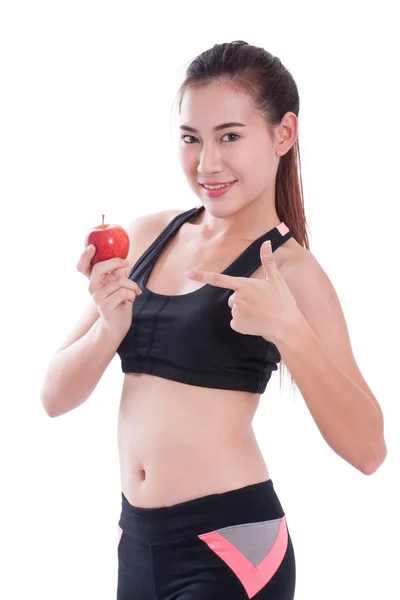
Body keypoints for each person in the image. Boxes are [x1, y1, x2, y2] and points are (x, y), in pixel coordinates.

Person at [40, 41, 386, 600]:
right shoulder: (149, 235)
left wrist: (289, 330)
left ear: (283, 134)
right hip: (138, 542)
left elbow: (368, 450)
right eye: (190, 139)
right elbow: (54, 398)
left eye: (230, 136)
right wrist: (109, 326)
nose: (207, 164)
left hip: (230, 546)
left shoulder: (292, 271)